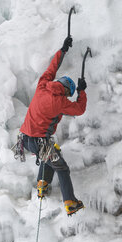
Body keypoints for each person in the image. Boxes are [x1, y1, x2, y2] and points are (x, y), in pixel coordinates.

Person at [20, 36, 87, 216]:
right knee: (62, 167)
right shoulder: (59, 102)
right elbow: (79, 109)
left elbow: (52, 68)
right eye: (68, 94)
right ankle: (70, 202)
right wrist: (82, 93)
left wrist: (63, 50)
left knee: (51, 152)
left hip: (25, 139)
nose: (67, 97)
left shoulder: (43, 85)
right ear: (66, 91)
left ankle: (42, 184)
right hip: (39, 142)